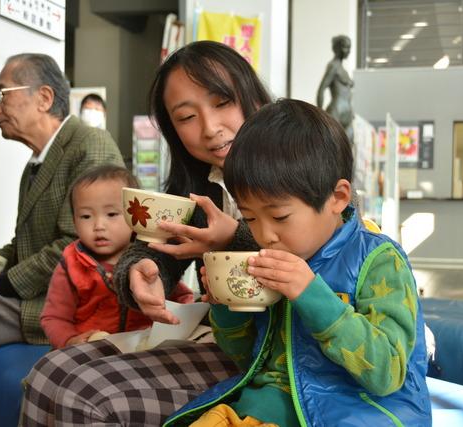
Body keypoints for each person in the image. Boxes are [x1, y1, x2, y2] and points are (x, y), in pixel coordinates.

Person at [20, 40, 272, 426]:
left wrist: (232, 238)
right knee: (46, 373)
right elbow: (151, 250)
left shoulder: (294, 163)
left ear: (251, 96)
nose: (210, 128)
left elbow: (317, 254)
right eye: (187, 117)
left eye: (222, 103)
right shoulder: (200, 182)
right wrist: (140, 274)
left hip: (278, 353)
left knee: (81, 393)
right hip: (221, 340)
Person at [165, 99, 432, 426]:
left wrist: (310, 294)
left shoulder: (379, 260)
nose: (265, 235)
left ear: (338, 198)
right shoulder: (276, 257)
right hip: (257, 408)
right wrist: (227, 305)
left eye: (280, 216)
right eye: (249, 218)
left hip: (354, 413)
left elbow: (386, 372)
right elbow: (243, 355)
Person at [0, 53, 124, 425]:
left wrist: (1, 282)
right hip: (37, 292)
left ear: (44, 98)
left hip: (70, 303)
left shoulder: (89, 144)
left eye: (1, 94)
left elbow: (76, 244)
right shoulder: (36, 163)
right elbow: (21, 246)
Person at [40, 165, 194, 349]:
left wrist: (178, 323)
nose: (99, 225)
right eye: (86, 216)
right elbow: (54, 317)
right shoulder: (71, 263)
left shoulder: (149, 258)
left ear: (135, 217)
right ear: (73, 221)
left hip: (140, 349)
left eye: (112, 214)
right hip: (87, 350)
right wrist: (70, 340)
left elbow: (182, 298)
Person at [317, 34, 355, 144]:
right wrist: (320, 113)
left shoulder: (344, 70)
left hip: (347, 114)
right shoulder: (333, 66)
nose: (348, 51)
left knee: (348, 149)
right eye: (345, 47)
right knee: (336, 148)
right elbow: (321, 89)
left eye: (349, 47)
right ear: (337, 48)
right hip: (336, 112)